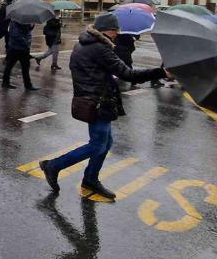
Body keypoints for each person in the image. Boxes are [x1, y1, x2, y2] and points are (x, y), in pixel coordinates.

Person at [39, 13, 167, 199]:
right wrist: (161, 72)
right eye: (114, 29)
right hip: (98, 102)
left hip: (92, 99)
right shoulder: (100, 48)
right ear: (105, 30)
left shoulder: (84, 43)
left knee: (105, 143)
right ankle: (53, 166)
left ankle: (90, 178)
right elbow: (128, 74)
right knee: (98, 144)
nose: (117, 33)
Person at [2, 20, 37, 91]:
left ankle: (28, 85)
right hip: (15, 48)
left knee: (26, 67)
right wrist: (25, 43)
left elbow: (28, 29)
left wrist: (32, 24)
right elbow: (15, 35)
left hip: (24, 48)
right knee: (9, 65)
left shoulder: (25, 21)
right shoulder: (14, 21)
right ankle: (5, 82)